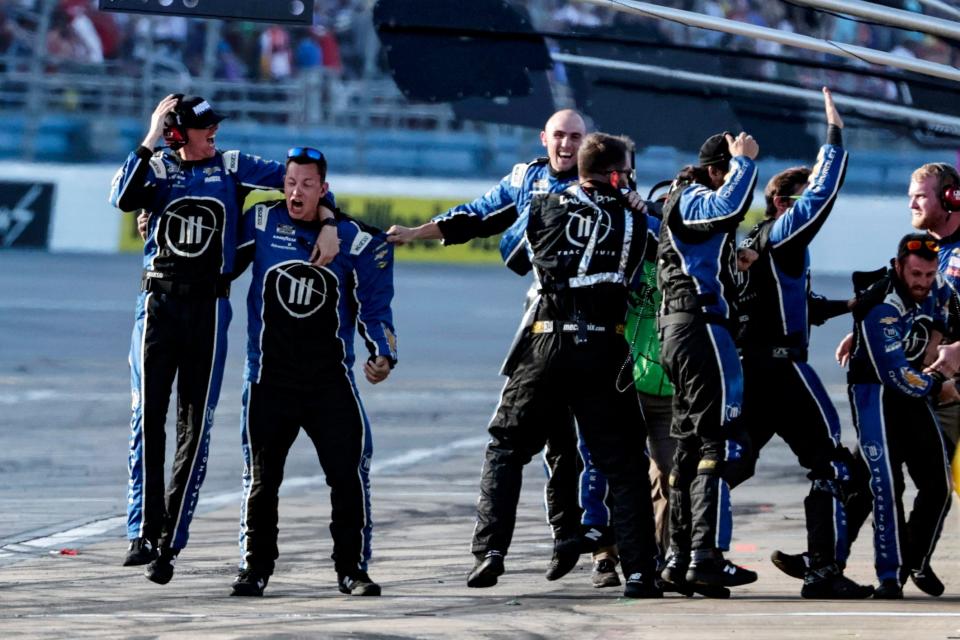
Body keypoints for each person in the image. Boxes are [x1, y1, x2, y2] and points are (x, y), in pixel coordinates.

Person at [108, 94, 337, 584]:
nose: (213, 132)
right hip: (156, 304)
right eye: (202, 126)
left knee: (196, 426)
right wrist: (150, 135)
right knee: (146, 418)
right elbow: (122, 197)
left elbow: (306, 184)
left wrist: (330, 223)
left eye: (214, 124)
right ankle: (141, 531)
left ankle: (170, 538)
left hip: (211, 307)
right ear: (176, 132)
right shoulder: (159, 167)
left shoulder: (233, 166)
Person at [388, 110, 623, 587]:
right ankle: (501, 549)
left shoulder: (611, 187)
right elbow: (475, 216)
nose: (566, 144)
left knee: (593, 447)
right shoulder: (525, 180)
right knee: (538, 442)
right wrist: (415, 234)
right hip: (544, 331)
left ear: (588, 144)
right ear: (544, 138)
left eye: (576, 137)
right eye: (559, 135)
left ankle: (600, 550)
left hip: (599, 334)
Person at [466, 133, 662, 598]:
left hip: (545, 343)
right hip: (602, 346)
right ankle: (638, 573)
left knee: (507, 446)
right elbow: (657, 261)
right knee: (625, 464)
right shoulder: (635, 219)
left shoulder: (542, 203)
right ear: (616, 174)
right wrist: (642, 210)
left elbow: (512, 255)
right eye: (628, 171)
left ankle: (490, 551)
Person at [228, 147, 396, 597]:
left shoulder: (354, 240)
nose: (295, 192)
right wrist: (153, 220)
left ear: (323, 188)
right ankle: (254, 568)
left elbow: (376, 308)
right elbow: (218, 260)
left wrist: (382, 352)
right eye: (289, 183)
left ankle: (352, 569)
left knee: (348, 474)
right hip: (268, 379)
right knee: (261, 480)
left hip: (329, 383)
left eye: (306, 184)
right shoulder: (261, 222)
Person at [735, 88, 872, 599]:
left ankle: (675, 552)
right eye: (798, 202)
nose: (807, 216)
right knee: (839, 470)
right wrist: (835, 137)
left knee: (730, 463)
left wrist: (849, 308)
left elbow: (799, 306)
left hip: (750, 371)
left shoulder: (753, 244)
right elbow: (821, 197)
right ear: (780, 203)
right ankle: (823, 570)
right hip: (782, 369)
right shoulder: (781, 237)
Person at [656, 130, 759, 592]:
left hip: (680, 331)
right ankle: (707, 555)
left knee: (690, 447)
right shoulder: (694, 195)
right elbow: (726, 207)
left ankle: (679, 558)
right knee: (720, 442)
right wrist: (746, 163)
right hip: (700, 328)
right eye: (729, 169)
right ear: (716, 170)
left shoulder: (686, 200)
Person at [845, 234, 956, 598]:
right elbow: (897, 376)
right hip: (876, 394)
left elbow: (945, 310)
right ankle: (889, 578)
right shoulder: (883, 306)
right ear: (897, 267)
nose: (922, 281)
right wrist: (939, 381)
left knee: (939, 485)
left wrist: (937, 340)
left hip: (915, 392)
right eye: (915, 274)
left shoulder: (936, 286)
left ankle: (916, 561)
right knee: (885, 487)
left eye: (928, 273)